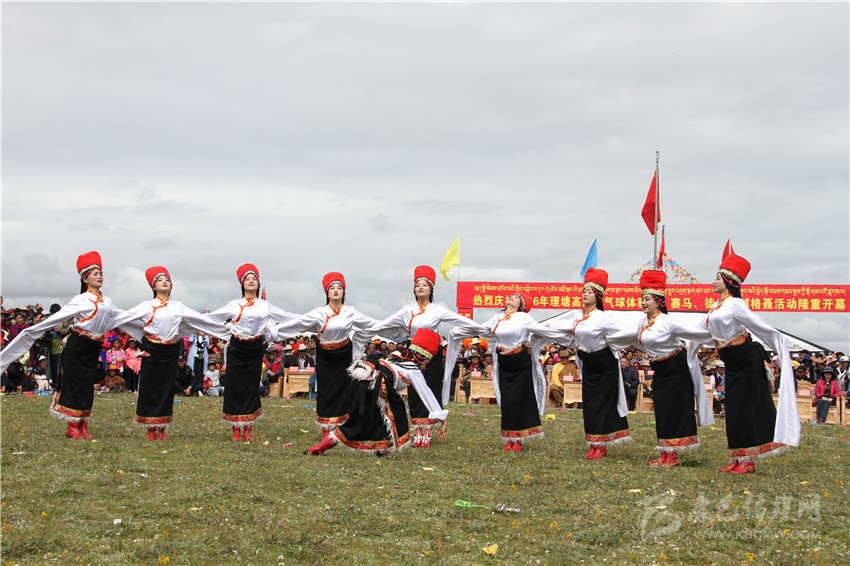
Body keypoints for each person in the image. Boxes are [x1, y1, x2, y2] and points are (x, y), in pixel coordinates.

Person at [0, 252, 130, 439]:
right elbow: (55, 319)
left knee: (87, 386)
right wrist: (36, 330)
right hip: (78, 347)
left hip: (93, 347)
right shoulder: (80, 300)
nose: (100, 276)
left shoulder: (107, 301)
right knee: (74, 385)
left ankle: (83, 423)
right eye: (95, 274)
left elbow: (121, 317)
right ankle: (72, 425)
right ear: (85, 278)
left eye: (101, 273)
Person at [703, 253, 799, 474]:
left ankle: (748, 460)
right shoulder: (717, 306)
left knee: (747, 408)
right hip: (732, 363)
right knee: (734, 409)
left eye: (718, 277)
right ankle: (737, 456)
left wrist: (780, 350)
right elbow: (704, 331)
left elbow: (761, 327)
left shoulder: (736, 305)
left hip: (746, 362)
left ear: (729, 281)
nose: (713, 281)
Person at [608, 270, 715, 466]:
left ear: (658, 301)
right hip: (661, 369)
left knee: (674, 409)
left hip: (676, 369)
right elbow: (624, 335)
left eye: (647, 299)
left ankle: (672, 454)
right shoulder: (642, 323)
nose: (643, 302)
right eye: (642, 299)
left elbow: (695, 333)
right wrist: (601, 338)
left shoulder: (668, 322)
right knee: (663, 409)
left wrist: (720, 333)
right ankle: (665, 451)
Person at [371, 265, 482, 447]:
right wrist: (365, 328)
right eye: (417, 285)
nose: (421, 288)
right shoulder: (407, 310)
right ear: (414, 290)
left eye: (424, 285)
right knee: (415, 391)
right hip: (413, 353)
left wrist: (483, 329)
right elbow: (384, 324)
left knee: (431, 388)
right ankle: (418, 430)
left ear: (431, 289)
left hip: (432, 354)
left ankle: (428, 430)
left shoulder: (437, 310)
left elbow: (460, 320)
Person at [115, 266, 228, 440]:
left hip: (169, 351)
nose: (164, 282)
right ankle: (150, 428)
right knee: (150, 387)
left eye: (167, 279)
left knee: (166, 388)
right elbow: (123, 318)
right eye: (159, 280)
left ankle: (162, 427)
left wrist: (228, 328)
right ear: (153, 286)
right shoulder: (146, 306)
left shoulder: (178, 306)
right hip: (152, 350)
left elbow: (200, 320)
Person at [445, 292, 563, 452]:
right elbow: (480, 328)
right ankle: (509, 437)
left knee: (519, 399)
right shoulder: (497, 318)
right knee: (507, 400)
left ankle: (519, 438)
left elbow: (541, 330)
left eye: (516, 297)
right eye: (511, 296)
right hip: (504, 362)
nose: (511, 297)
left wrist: (567, 332)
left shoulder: (523, 318)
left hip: (520, 362)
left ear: (521, 305)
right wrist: (459, 330)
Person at [305, 328, 447, 456]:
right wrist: (442, 419)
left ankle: (381, 447)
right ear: (425, 359)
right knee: (394, 412)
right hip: (376, 385)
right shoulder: (415, 371)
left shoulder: (394, 360)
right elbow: (427, 395)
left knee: (368, 418)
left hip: (361, 381)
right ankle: (325, 445)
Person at [206, 264, 303, 442]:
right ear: (242, 284)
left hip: (254, 349)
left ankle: (248, 428)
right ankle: (236, 428)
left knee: (251, 387)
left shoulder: (264, 305)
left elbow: (287, 317)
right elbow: (211, 319)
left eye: (254, 279)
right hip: (236, 348)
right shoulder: (234, 305)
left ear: (258, 284)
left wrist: (312, 322)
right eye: (247, 279)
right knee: (235, 387)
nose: (251, 281)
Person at [288, 272, 379, 454]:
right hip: (325, 356)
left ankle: (340, 431)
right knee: (325, 392)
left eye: (339, 288)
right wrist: (272, 331)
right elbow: (297, 322)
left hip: (344, 355)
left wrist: (397, 326)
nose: (336, 290)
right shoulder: (320, 312)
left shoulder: (350, 311)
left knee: (344, 392)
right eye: (332, 288)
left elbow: (372, 324)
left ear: (344, 292)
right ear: (327, 292)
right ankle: (326, 431)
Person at [546, 268, 631, 459]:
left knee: (602, 403)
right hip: (589, 365)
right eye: (583, 290)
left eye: (590, 291)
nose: (585, 294)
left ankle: (602, 444)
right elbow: (567, 335)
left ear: (598, 296)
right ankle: (593, 442)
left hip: (604, 365)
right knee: (590, 404)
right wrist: (539, 333)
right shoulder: (578, 317)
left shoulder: (602, 317)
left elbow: (623, 334)